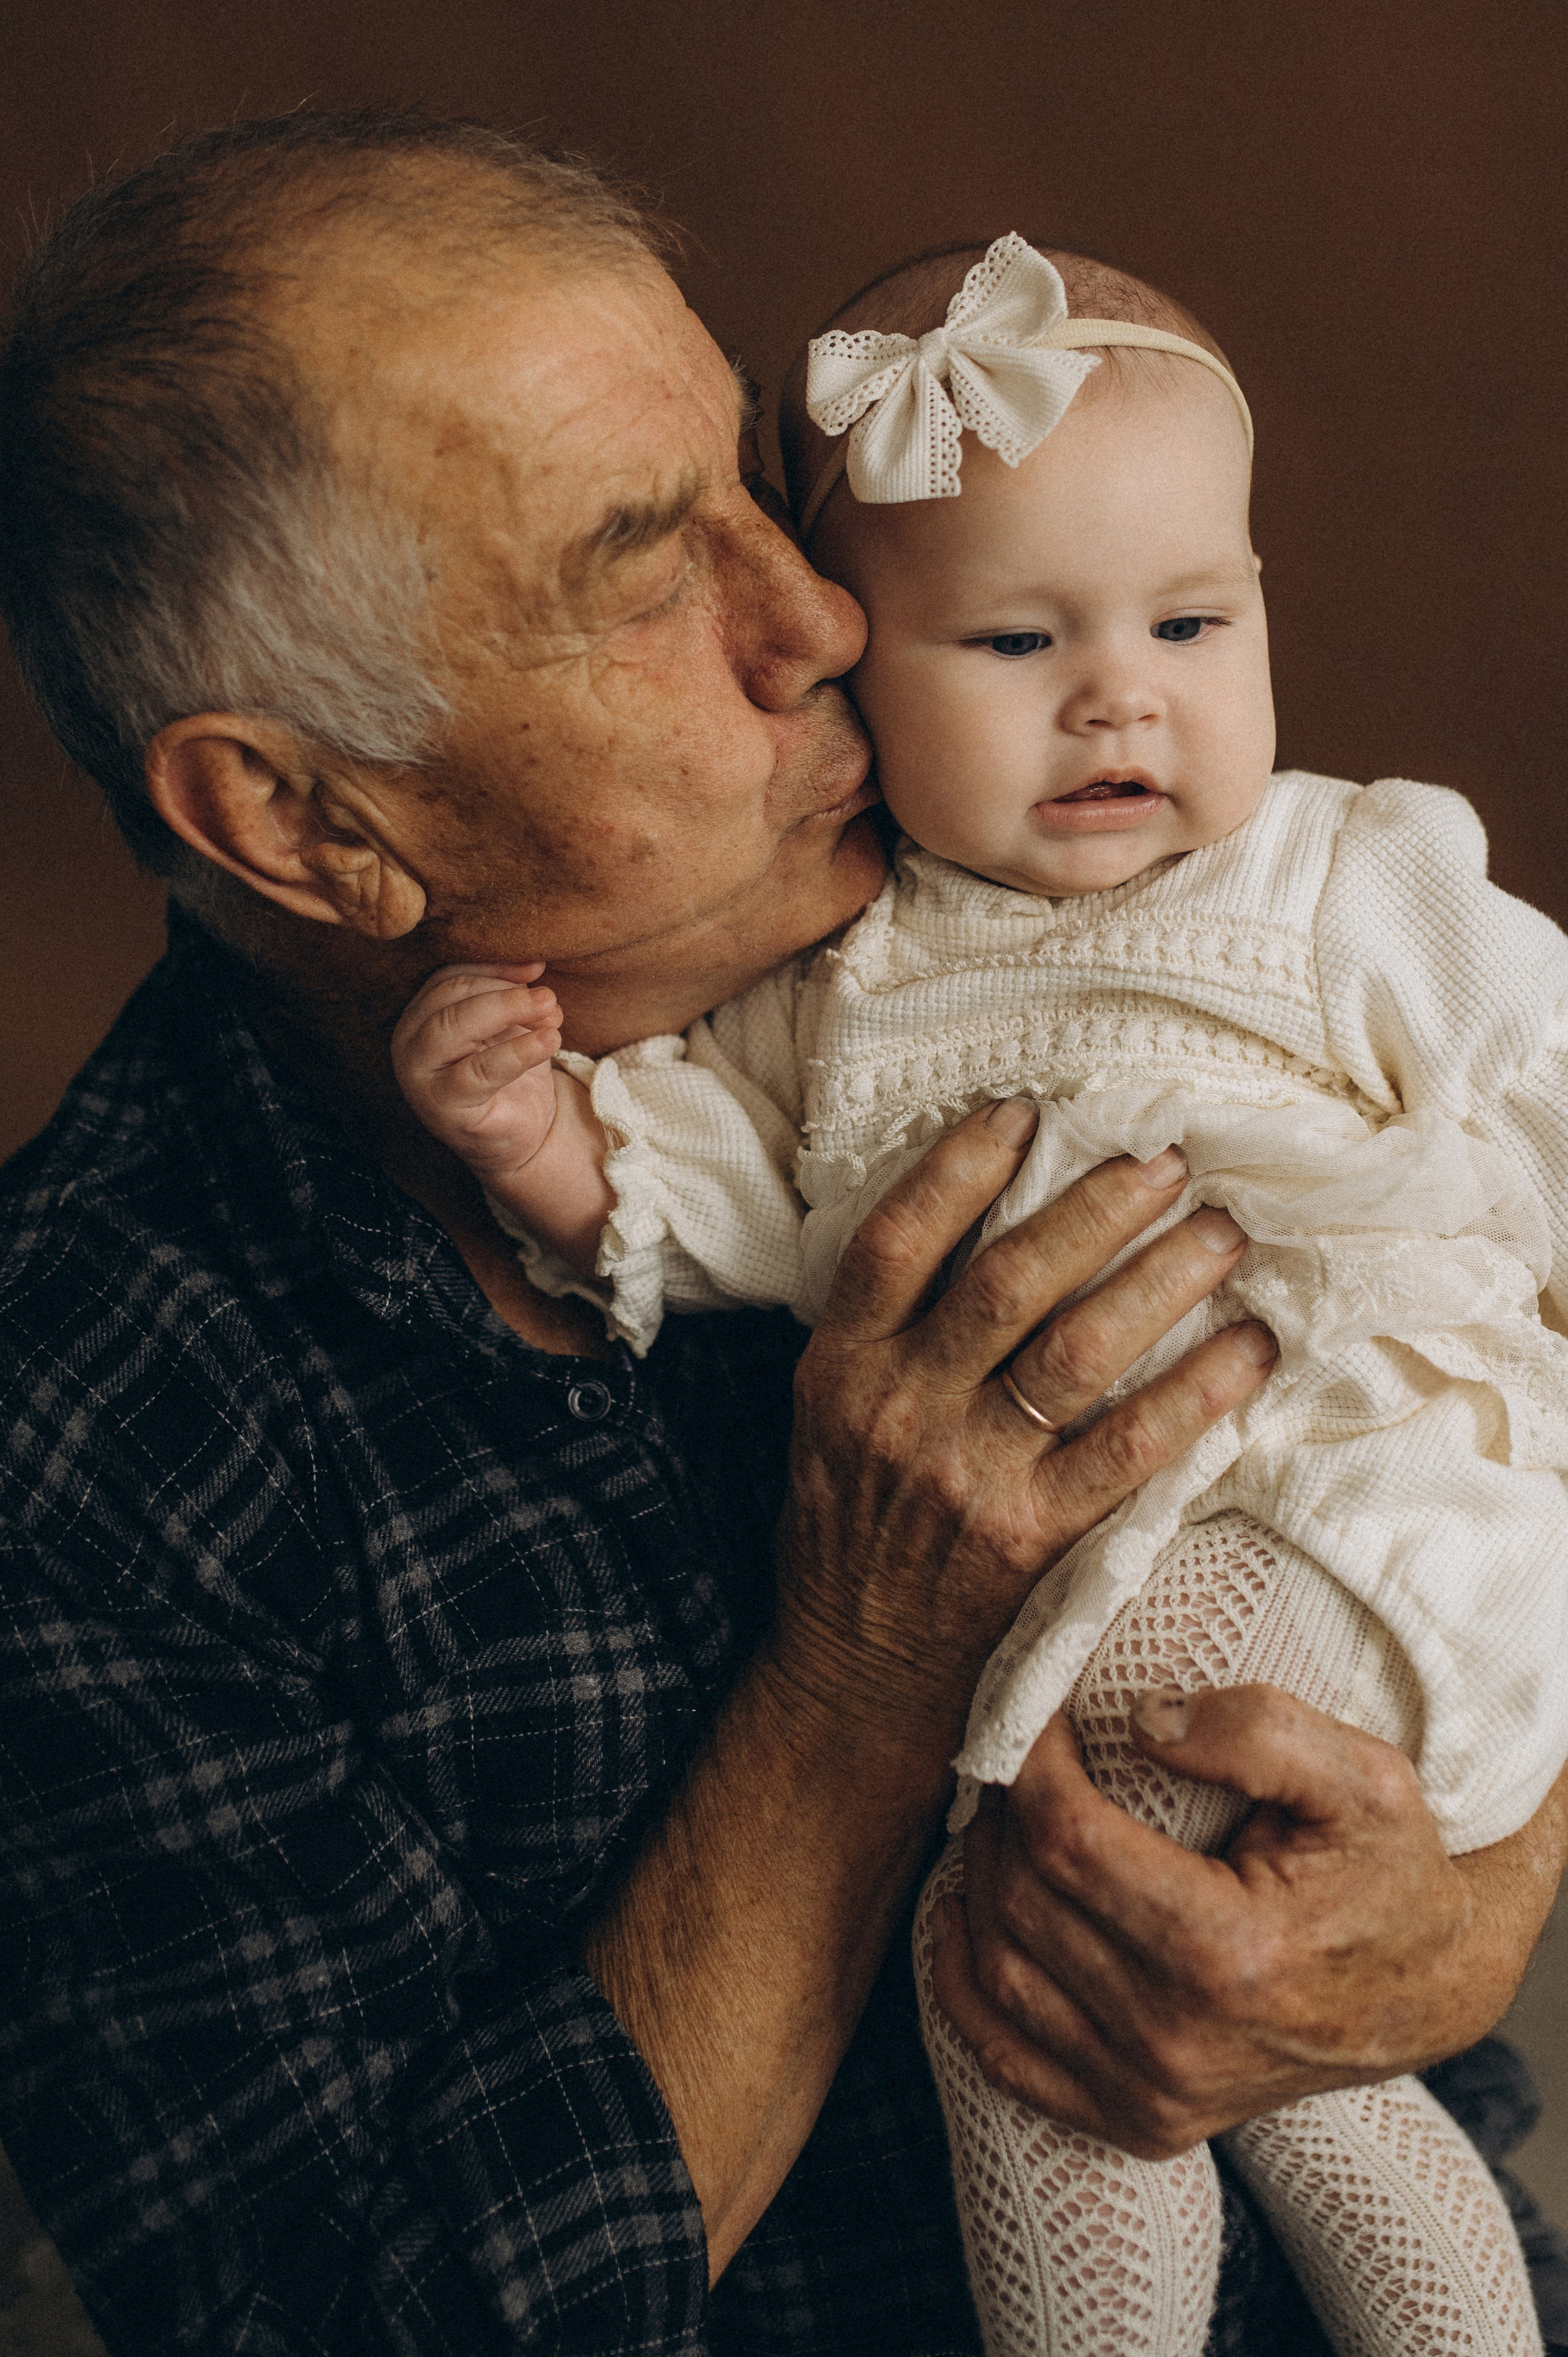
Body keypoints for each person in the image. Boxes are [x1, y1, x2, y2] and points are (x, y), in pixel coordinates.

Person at [0, 115, 1564, 2357]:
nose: (827, 611)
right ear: (305, 816)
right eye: (645, 570)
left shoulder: (1079, 870)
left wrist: (1484, 1888)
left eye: (755, 473)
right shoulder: (89, 1442)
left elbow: (1495, 1323)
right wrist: (856, 1680)